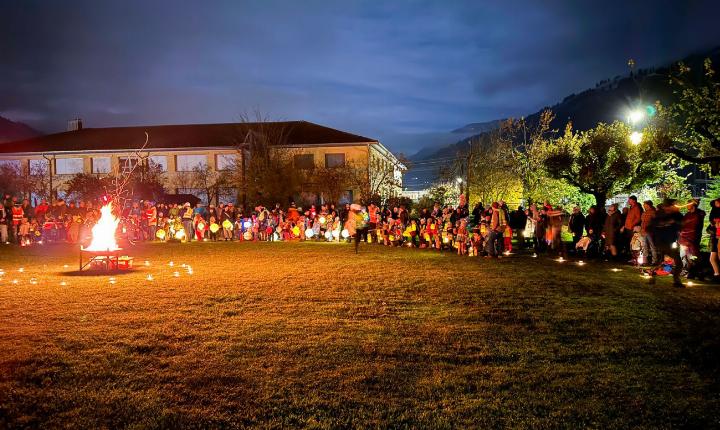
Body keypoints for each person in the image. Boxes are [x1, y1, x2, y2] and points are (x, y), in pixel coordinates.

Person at [649, 200, 684, 288]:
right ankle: (676, 280)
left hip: (671, 241)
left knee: (663, 261)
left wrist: (677, 223)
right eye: (673, 205)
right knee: (675, 261)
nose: (675, 207)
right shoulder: (659, 214)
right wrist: (666, 223)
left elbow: (681, 223)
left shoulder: (676, 215)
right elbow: (653, 225)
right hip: (661, 241)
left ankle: (653, 275)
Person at [679, 199, 705, 275]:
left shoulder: (698, 214)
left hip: (692, 238)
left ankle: (697, 271)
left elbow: (694, 226)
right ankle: (688, 270)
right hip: (684, 239)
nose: (687, 206)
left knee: (694, 255)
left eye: (688, 204)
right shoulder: (687, 215)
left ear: (693, 205)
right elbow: (682, 225)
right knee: (686, 255)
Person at [640, 200, 658, 265]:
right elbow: (642, 222)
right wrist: (642, 229)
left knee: (652, 246)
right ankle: (645, 261)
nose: (643, 206)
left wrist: (648, 228)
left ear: (648, 205)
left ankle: (654, 261)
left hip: (649, 232)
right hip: (643, 231)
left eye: (644, 205)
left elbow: (654, 222)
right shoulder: (644, 213)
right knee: (645, 246)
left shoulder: (653, 212)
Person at [708, 199, 720, 282]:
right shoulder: (713, 212)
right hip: (714, 238)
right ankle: (717, 275)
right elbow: (709, 228)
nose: (716, 203)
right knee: (712, 258)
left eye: (718, 202)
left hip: (718, 237)